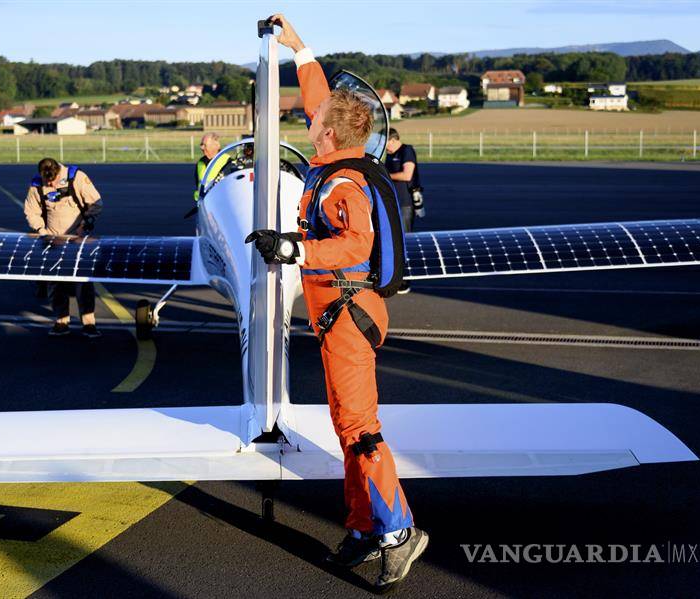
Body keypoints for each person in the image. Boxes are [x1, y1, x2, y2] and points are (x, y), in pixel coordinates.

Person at [247, 15, 428, 591]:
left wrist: (295, 248)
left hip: (349, 316)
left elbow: (357, 243)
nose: (309, 117)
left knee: (359, 428)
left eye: (315, 119)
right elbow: (320, 99)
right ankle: (363, 526)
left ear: (327, 133)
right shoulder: (336, 160)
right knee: (346, 426)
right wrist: (299, 48)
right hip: (339, 316)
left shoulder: (342, 184)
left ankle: (399, 531)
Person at [24, 157, 103, 338]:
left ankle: (89, 323)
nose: (50, 185)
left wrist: (84, 225)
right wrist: (42, 232)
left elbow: (96, 204)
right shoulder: (36, 185)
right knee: (55, 281)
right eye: (47, 182)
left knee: (83, 281)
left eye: (53, 181)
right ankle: (61, 321)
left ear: (58, 172)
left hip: (78, 239)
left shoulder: (77, 177)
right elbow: (31, 211)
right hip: (52, 240)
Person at [385, 128, 421, 233]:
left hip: (404, 203)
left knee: (404, 235)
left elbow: (407, 175)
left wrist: (385, 176)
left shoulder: (406, 151)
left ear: (392, 140)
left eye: (385, 142)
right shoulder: (389, 154)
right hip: (392, 202)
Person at [193, 132, 232, 201]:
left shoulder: (228, 162)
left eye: (204, 145)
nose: (201, 147)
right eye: (201, 145)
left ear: (216, 146)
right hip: (203, 204)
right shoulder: (200, 163)